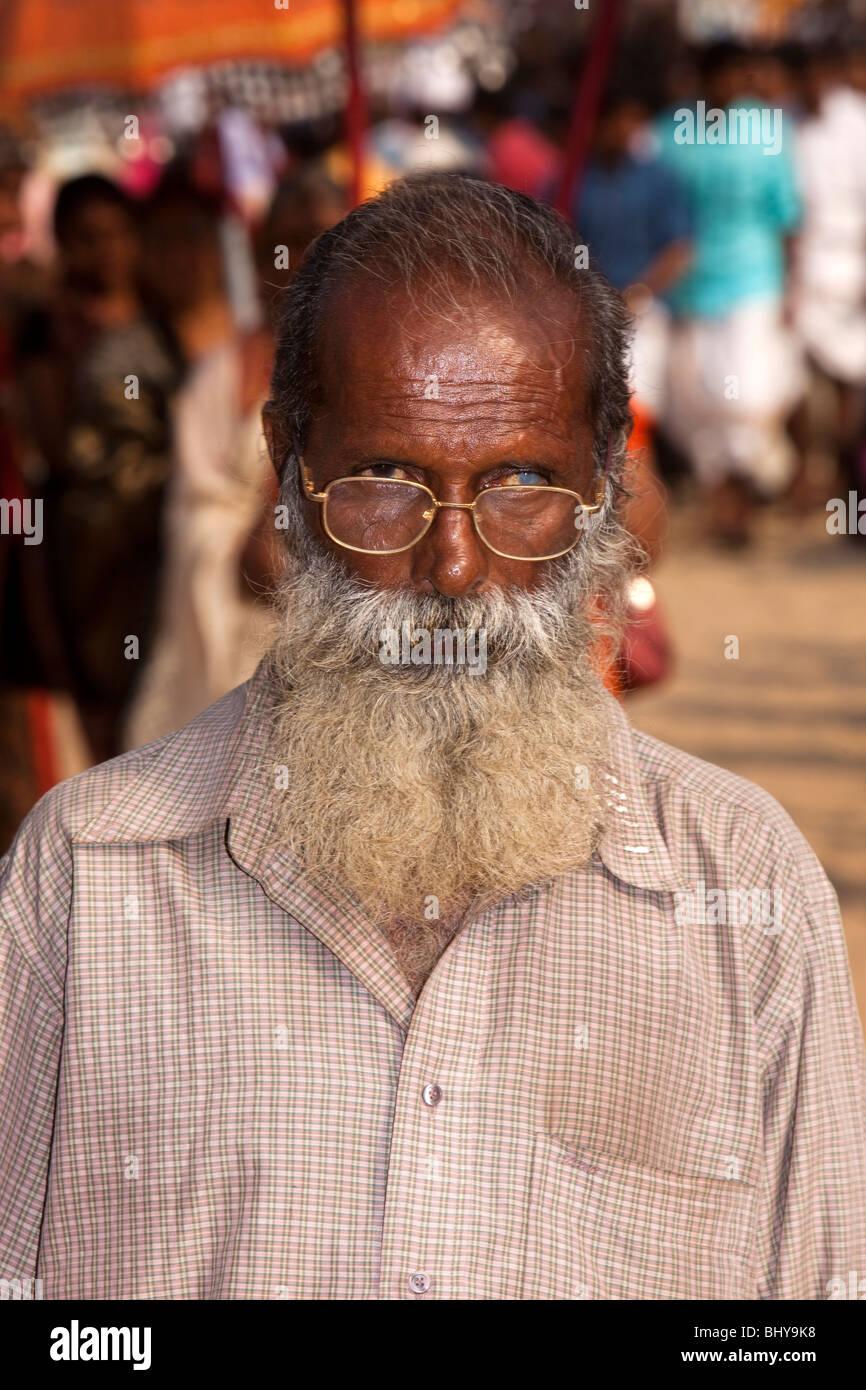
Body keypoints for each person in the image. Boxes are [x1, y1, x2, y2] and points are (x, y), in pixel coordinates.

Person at [1, 174, 864, 1300]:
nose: (452, 568)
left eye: (518, 483)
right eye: (382, 480)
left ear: (603, 485)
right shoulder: (86, 877)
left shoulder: (739, 886)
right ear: (286, 462)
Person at [657, 43, 805, 545]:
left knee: (747, 391)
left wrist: (793, 287)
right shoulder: (672, 131)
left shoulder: (766, 128)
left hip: (753, 277)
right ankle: (727, 502)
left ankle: (756, 477)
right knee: (697, 399)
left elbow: (787, 212)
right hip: (691, 286)